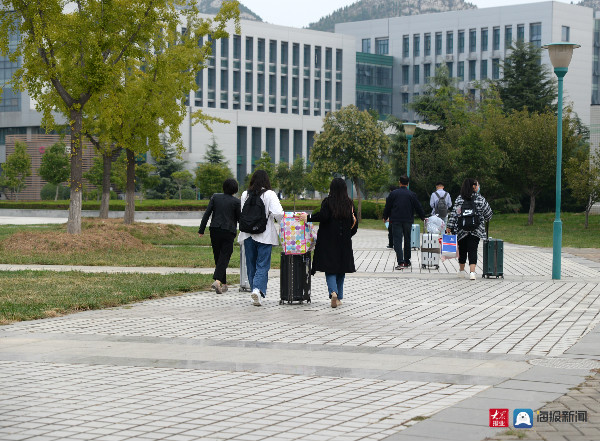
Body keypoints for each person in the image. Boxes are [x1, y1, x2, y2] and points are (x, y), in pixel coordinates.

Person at [296, 178, 358, 308]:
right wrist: (347, 235)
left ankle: (333, 292)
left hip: (329, 241)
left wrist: (309, 218)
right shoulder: (349, 203)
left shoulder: (328, 202)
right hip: (344, 243)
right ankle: (339, 297)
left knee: (330, 269)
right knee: (341, 269)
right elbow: (354, 225)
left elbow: (323, 216)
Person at [238, 169, 284, 306]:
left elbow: (243, 213)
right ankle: (257, 290)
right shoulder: (269, 194)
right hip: (264, 235)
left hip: (247, 235)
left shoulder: (245, 194)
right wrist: (283, 225)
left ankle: (254, 291)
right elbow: (278, 213)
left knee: (251, 265)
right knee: (262, 265)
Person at [198, 178, 241, 294]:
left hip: (214, 230)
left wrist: (201, 230)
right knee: (225, 256)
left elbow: (207, 213)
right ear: (235, 189)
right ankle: (217, 281)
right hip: (228, 231)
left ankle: (224, 284)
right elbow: (240, 218)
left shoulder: (215, 197)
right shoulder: (236, 202)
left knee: (218, 257)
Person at [446, 178, 493, 280]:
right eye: (477, 185)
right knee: (473, 250)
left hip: (461, 229)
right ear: (473, 187)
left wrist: (449, 226)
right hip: (476, 230)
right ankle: (472, 273)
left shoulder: (459, 199)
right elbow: (489, 214)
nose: (478, 187)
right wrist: (483, 218)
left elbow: (454, 214)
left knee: (462, 250)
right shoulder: (480, 199)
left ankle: (462, 271)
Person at [382, 175, 426, 270]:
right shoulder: (411, 194)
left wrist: (385, 217)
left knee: (397, 240)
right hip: (408, 220)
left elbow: (388, 206)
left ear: (399, 182)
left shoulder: (393, 194)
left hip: (396, 220)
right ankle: (407, 261)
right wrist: (422, 216)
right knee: (407, 240)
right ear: (408, 183)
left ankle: (400, 262)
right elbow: (418, 206)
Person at [386, 184, 398, 249]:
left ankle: (391, 244)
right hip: (398, 217)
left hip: (391, 217)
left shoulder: (389, 197)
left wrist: (386, 217)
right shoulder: (399, 197)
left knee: (390, 231)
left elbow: (387, 208)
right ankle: (397, 243)